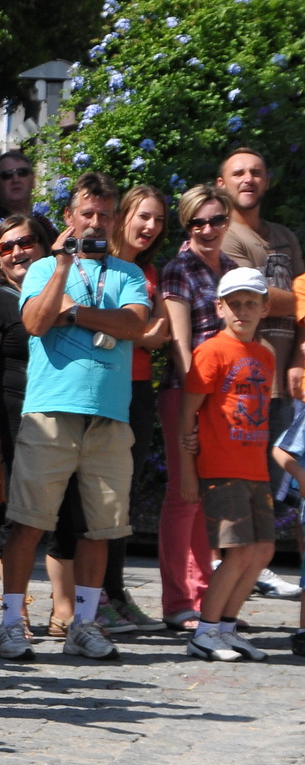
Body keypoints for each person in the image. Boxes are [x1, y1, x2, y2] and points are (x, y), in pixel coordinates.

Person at [0, 172, 152, 664]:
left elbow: (134, 324)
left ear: (116, 219)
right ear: (70, 216)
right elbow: (35, 321)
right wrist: (62, 267)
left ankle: (83, 624)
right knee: (28, 522)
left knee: (99, 528)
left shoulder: (128, 273)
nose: (96, 222)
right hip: (51, 410)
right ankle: (10, 623)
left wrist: (75, 313)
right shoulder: (43, 268)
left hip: (108, 415)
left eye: (105, 214)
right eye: (88, 213)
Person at [0, 213, 77, 637]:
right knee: (19, 513)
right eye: (6, 247)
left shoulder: (68, 289)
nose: (17, 252)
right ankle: (18, 613)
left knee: (68, 512)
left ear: (45, 245)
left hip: (68, 414)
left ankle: (64, 612)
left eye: (26, 242)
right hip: (19, 418)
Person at [218, 148, 303, 602]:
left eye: (255, 172)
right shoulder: (225, 236)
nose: (248, 179)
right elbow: (250, 295)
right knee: (241, 476)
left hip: (285, 374)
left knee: (272, 478)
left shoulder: (285, 237)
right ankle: (231, 561)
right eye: (238, 173)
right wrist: (297, 297)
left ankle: (256, 563)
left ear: (267, 180)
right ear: (222, 184)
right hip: (245, 376)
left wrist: (300, 357)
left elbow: (300, 304)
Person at [178, 269, 275, 662]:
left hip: (256, 469)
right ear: (219, 308)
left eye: (251, 303)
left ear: (265, 308)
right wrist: (188, 473)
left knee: (262, 551)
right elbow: (187, 415)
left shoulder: (265, 355)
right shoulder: (211, 351)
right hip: (221, 468)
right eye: (234, 304)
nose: (242, 310)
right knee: (236, 551)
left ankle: (227, 628)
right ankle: (204, 632)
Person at [159, 183, 238, 631]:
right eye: (197, 222)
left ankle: (206, 596)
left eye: (216, 220)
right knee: (182, 494)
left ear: (227, 220)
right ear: (186, 226)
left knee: (207, 499)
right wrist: (198, 398)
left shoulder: (233, 269)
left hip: (229, 398)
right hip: (187, 394)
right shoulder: (178, 269)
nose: (207, 229)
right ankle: (177, 601)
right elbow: (180, 344)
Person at [100, 185, 172, 632]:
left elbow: (161, 331)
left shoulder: (148, 272)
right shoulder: (99, 264)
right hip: (101, 386)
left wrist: (132, 331)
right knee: (98, 495)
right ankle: (95, 594)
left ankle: (116, 590)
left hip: (138, 388)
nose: (151, 226)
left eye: (159, 220)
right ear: (123, 215)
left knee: (123, 495)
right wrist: (135, 331)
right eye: (144, 216)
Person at [0, 150, 57, 244]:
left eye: (22, 172)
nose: (16, 179)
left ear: (33, 180)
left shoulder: (44, 224)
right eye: (7, 175)